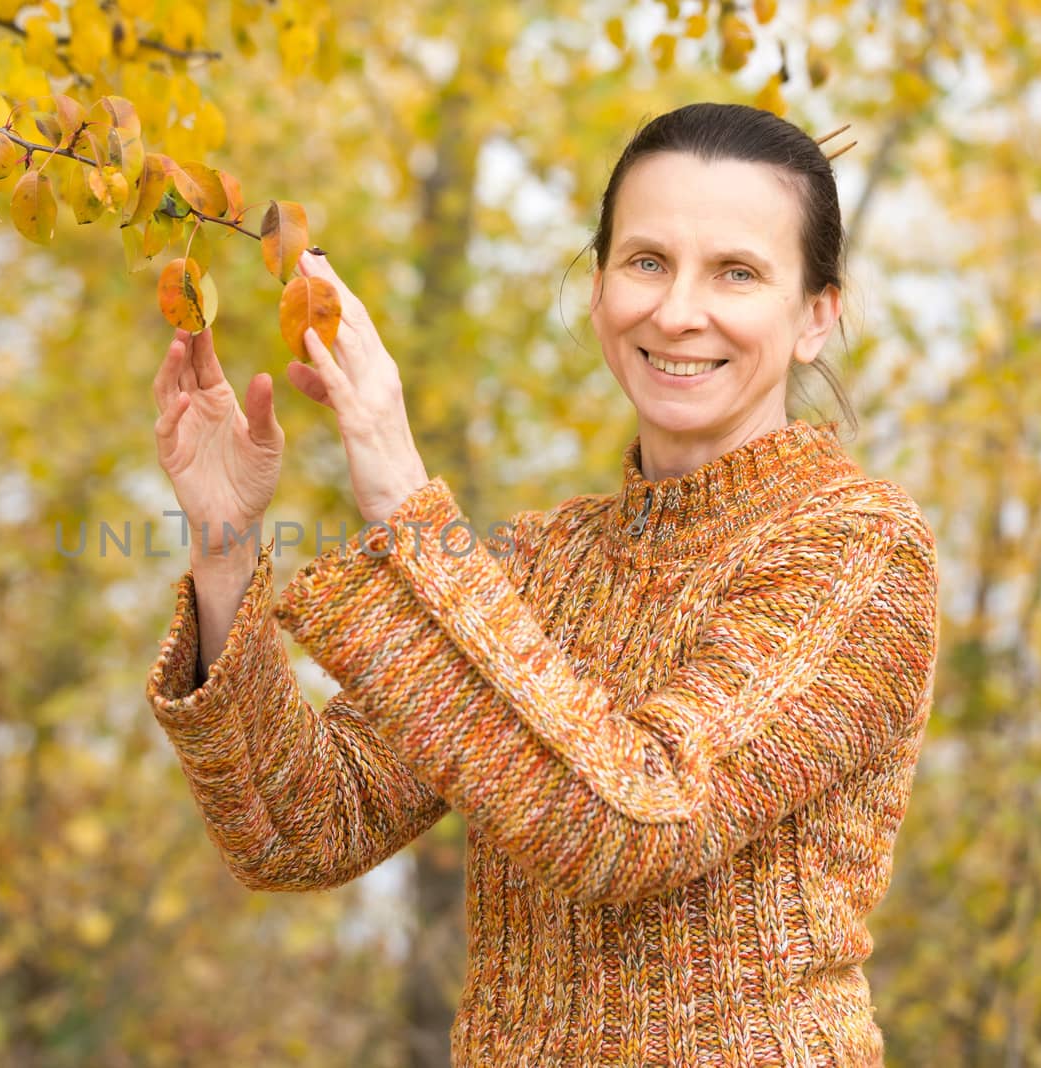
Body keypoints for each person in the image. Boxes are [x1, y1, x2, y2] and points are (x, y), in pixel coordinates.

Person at [144, 101, 939, 1066]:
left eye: (737, 272)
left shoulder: (859, 550)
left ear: (816, 315)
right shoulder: (542, 559)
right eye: (647, 261)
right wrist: (225, 544)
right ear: (599, 286)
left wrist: (404, 501)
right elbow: (299, 830)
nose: (678, 309)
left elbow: (631, 827)